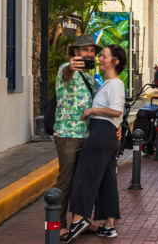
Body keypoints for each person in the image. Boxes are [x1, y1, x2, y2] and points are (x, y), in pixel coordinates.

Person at [64, 46, 129, 240]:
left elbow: (116, 111)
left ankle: (78, 219)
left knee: (85, 175)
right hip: (106, 134)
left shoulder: (115, 84)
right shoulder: (108, 83)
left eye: (104, 56)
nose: (100, 59)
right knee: (107, 181)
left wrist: (91, 111)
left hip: (101, 133)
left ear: (115, 62)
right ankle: (108, 225)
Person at [52, 35, 101, 228]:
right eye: (85, 50)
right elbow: (66, 73)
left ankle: (79, 220)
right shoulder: (65, 68)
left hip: (86, 135)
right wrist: (70, 67)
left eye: (92, 51)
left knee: (80, 180)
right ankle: (58, 225)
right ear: (75, 52)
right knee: (65, 180)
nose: (89, 54)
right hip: (68, 134)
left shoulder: (89, 77)